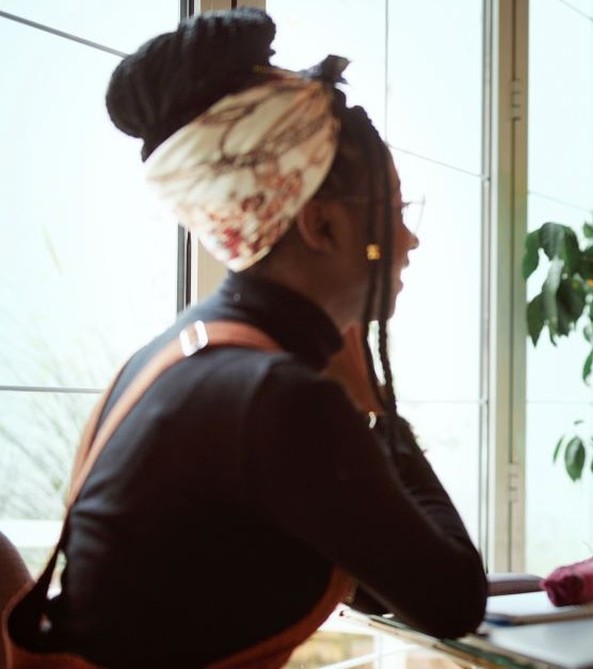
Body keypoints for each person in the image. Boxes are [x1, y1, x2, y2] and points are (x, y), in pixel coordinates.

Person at [5, 8, 486, 666]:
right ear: (320, 224)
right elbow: (453, 596)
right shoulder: (277, 397)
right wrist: (374, 405)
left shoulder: (172, 358)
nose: (410, 239)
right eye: (395, 210)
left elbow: (381, 578)